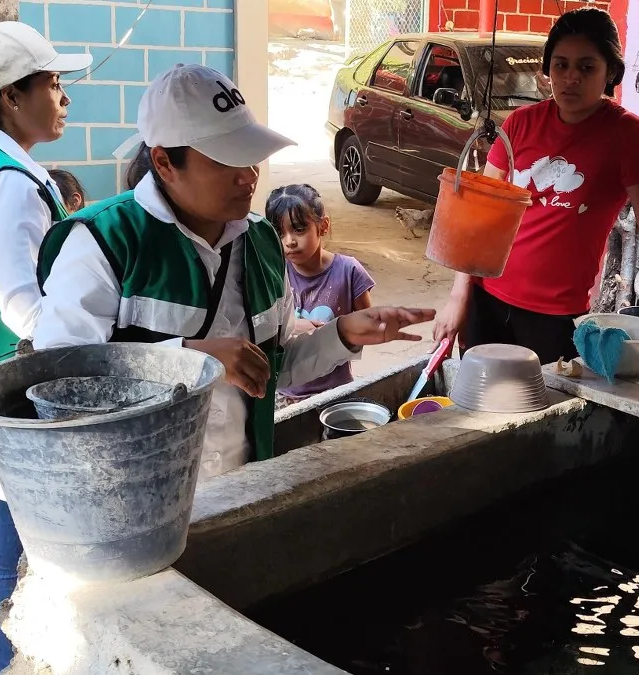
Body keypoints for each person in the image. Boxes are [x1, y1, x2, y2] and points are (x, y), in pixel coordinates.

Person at [32, 63, 433, 475]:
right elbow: (59, 381)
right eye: (226, 162)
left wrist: (342, 334)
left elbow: (271, 368)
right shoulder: (104, 242)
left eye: (252, 157)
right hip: (136, 496)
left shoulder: (262, 243)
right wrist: (192, 361)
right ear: (165, 163)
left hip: (241, 477)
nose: (250, 177)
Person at [432, 8, 639, 363]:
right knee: (476, 408)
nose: (571, 77)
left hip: (555, 315)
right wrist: (457, 299)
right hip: (488, 299)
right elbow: (480, 220)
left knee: (540, 411)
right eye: (561, 65)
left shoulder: (626, 135)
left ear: (610, 73)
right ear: (548, 70)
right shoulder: (519, 125)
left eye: (586, 67)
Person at [0, 21, 91, 675]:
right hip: (17, 397)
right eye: (54, 85)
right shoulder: (9, 183)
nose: (64, 98)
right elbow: (20, 303)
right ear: (11, 97)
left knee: (10, 548)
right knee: (39, 557)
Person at [266, 184, 376, 404]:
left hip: (336, 392)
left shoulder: (348, 271)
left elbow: (370, 327)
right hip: (284, 395)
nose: (289, 241)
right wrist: (295, 326)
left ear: (323, 226)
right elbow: (257, 332)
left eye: (299, 229)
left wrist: (334, 332)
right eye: (280, 232)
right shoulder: (273, 273)